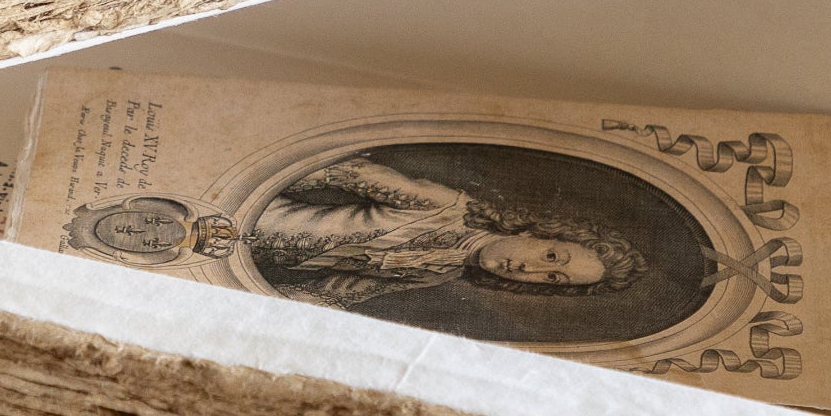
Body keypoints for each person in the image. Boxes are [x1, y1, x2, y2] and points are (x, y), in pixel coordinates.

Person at [248, 154, 649, 311]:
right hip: (247, 211)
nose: (528, 270)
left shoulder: (437, 273)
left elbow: (336, 291)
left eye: (552, 278)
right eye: (551, 257)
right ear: (538, 232)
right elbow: (339, 171)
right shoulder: (442, 206)